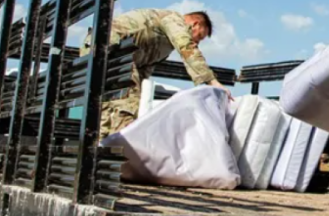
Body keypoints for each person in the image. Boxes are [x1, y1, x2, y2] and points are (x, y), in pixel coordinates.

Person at [81, 8, 230, 138]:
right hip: (109, 46)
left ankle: (100, 154)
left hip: (105, 52)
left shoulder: (163, 46)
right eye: (200, 36)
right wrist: (212, 81)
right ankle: (120, 154)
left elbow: (143, 70)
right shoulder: (173, 20)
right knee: (127, 107)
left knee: (107, 110)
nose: (198, 42)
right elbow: (187, 47)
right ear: (195, 24)